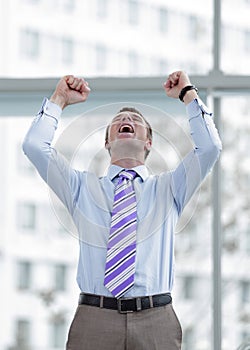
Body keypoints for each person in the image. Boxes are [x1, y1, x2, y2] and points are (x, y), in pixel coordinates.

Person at [22, 71, 222, 350]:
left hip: (156, 320)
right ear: (106, 143)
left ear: (148, 142)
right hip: (95, 318)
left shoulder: (170, 188)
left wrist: (187, 93)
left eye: (136, 121)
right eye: (117, 121)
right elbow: (34, 145)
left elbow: (210, 147)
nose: (126, 120)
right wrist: (59, 100)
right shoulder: (81, 187)